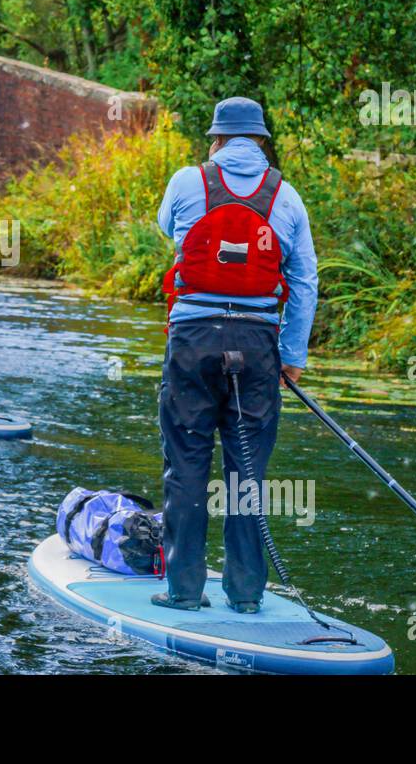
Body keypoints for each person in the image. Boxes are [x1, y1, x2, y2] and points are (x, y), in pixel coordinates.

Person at [152, 97, 318, 614]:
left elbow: (165, 228)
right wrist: (292, 356)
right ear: (262, 141)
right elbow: (305, 281)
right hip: (257, 349)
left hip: (193, 342)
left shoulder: (186, 182)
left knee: (187, 466)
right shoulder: (287, 197)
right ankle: (246, 595)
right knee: (247, 472)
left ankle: (183, 590)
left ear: (216, 141)